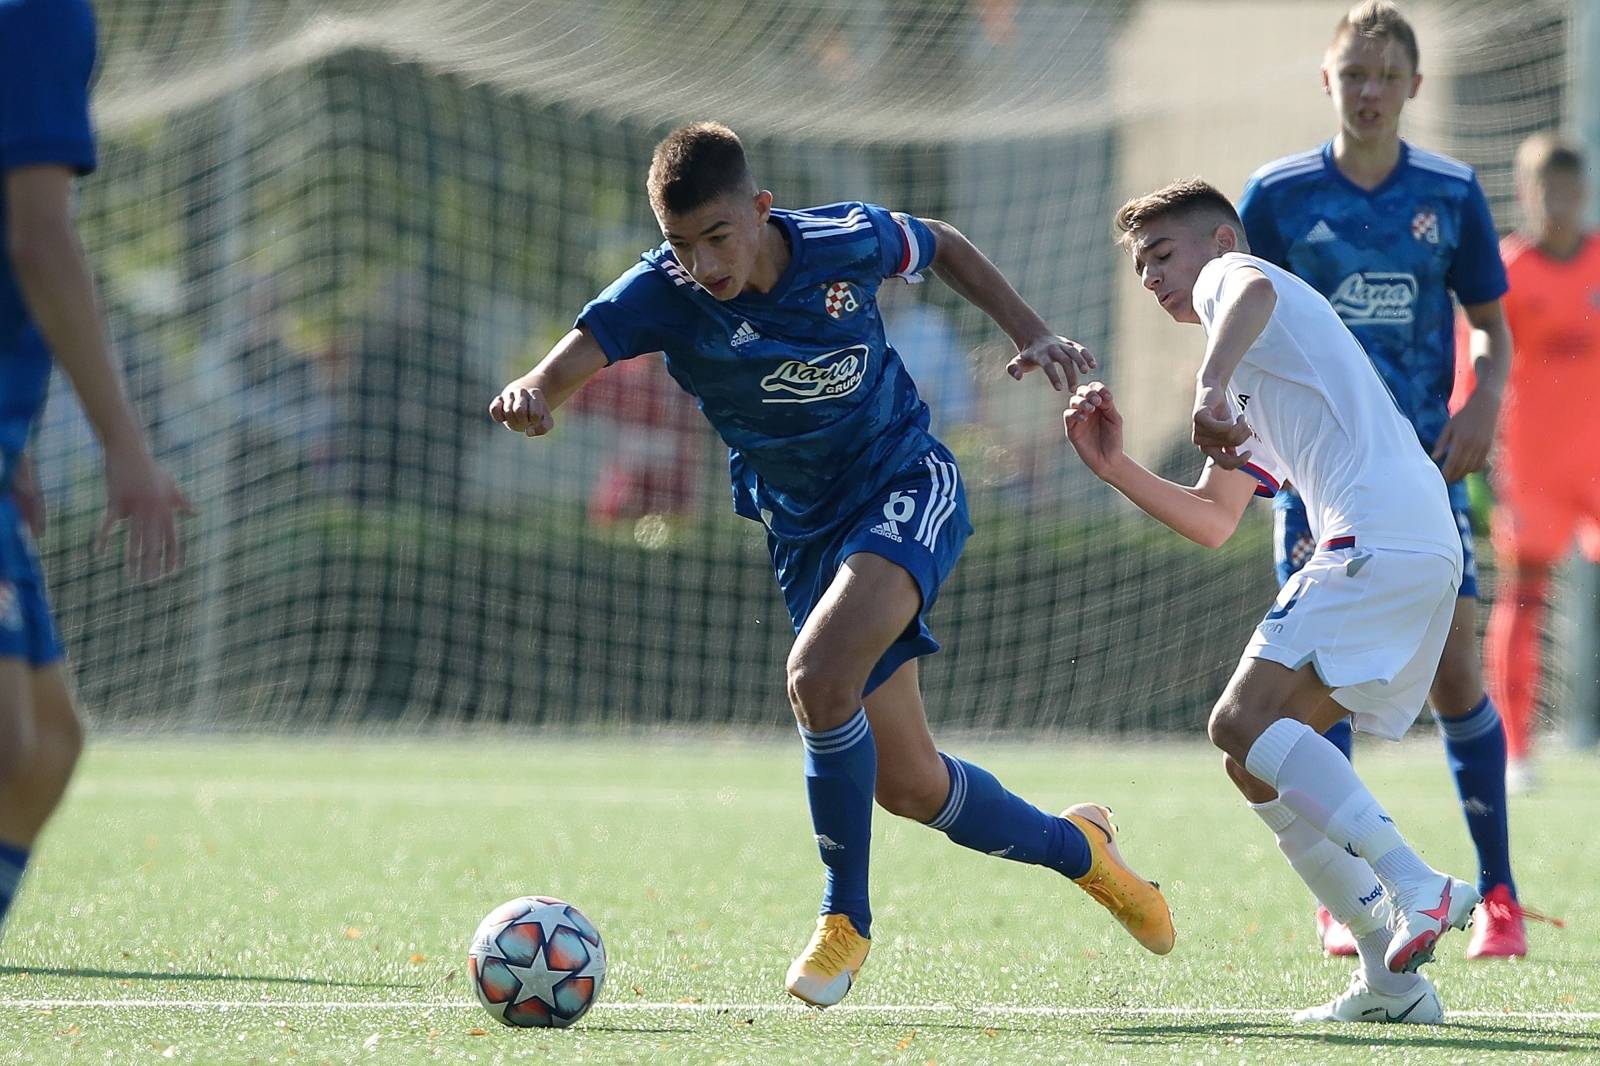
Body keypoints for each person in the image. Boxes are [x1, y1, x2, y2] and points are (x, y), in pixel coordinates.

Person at [490, 122, 1173, 1007]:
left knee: (816, 676)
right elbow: (577, 353)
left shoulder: (841, 241)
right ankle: (1084, 851)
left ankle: (843, 917)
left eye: (718, 237)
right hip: (805, 533)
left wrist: (1033, 331)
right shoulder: (663, 292)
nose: (703, 262)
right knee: (912, 786)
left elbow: (945, 244)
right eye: (681, 245)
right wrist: (536, 394)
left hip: (904, 481)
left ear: (762, 209)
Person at [1068, 178, 1482, 1025]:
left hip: (1378, 533)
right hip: (1405, 540)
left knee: (1234, 721)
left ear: (1219, 240)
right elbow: (1217, 517)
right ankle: (1391, 982)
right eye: (1139, 265)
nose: (1150, 277)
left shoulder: (1240, 284)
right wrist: (1114, 468)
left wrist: (1207, 387)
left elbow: (1249, 286)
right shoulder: (1249, 358)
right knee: (1248, 755)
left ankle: (1419, 884)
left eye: (1162, 254)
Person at [1235, 0, 1524, 958]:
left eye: (1385, 76)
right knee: (1320, 682)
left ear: (1413, 86)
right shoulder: (1275, 195)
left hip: (1421, 475)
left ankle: (1499, 897)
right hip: (1318, 482)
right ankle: (1350, 896)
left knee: (1455, 676)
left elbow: (1491, 323)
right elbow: (1247, 320)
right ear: (1328, 81)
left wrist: (1483, 401)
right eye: (1352, 74)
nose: (1368, 91)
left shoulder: (1451, 190)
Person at [0, 0, 191, 938]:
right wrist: (126, 446)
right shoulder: (40, 15)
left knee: (44, 751)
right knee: (10, 749)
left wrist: (19, 442)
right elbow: (38, 240)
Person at [1465, 135, 1600, 791]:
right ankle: (1517, 751)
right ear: (1527, 194)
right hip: (1533, 467)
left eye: (1572, 193)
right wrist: (1473, 448)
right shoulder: (1506, 270)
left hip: (1596, 461)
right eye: (1548, 193)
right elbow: (1478, 368)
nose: (1561, 206)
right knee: (1525, 597)